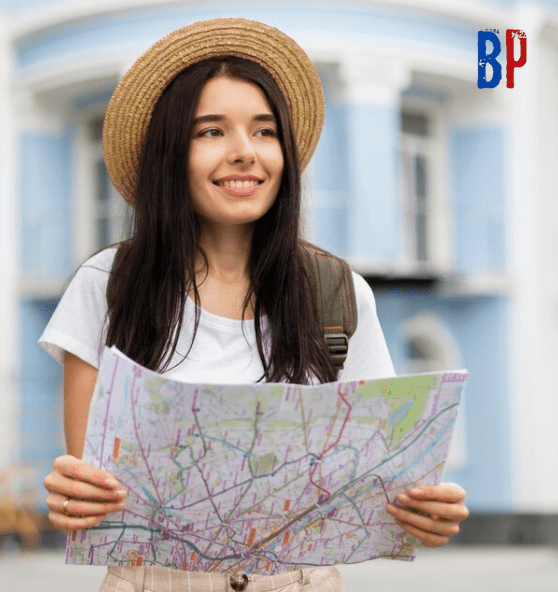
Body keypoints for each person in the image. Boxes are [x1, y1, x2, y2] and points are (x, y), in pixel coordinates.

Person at [39, 18, 468, 592]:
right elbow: (90, 486)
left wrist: (425, 512)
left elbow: (381, 481)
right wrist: (73, 497)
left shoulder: (338, 293)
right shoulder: (108, 285)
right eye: (210, 132)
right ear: (170, 153)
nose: (245, 153)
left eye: (264, 132)